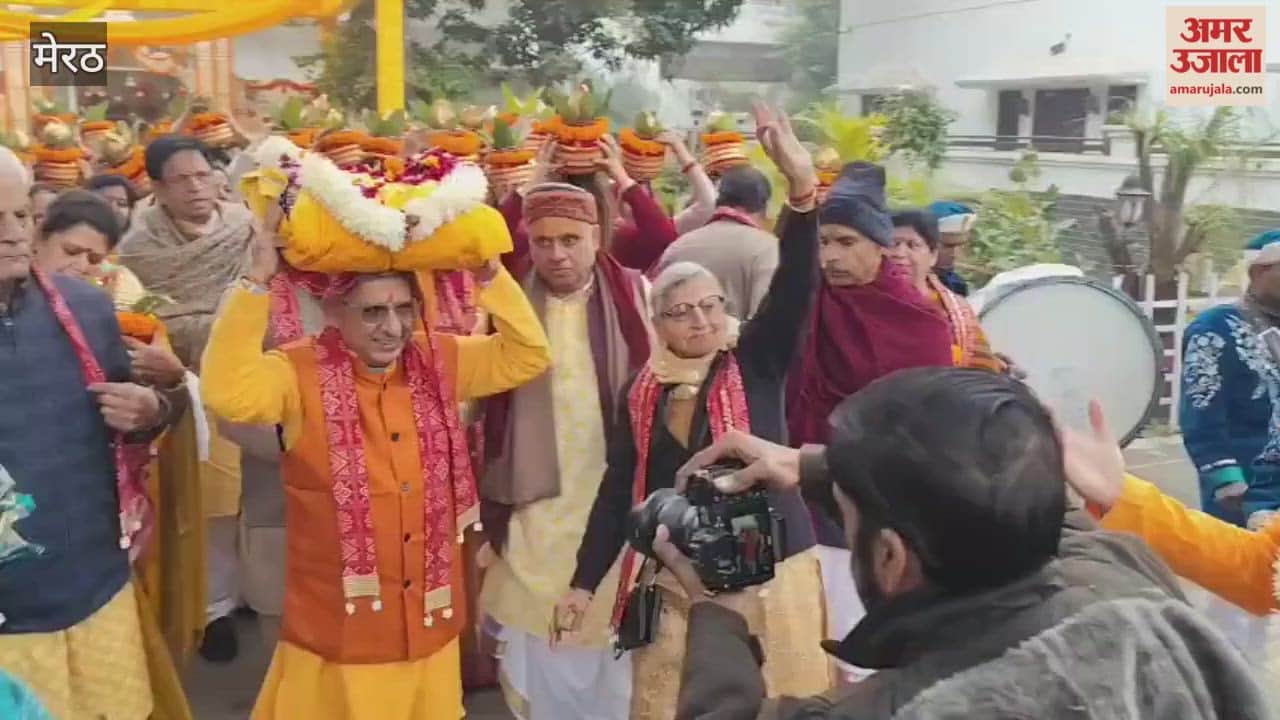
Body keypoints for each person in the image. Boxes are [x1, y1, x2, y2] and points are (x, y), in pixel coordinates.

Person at [662, 368, 1272, 719]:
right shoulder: (1122, 580)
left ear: (891, 556)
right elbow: (1033, 498)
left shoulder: (912, 706)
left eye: (850, 518)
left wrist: (721, 616)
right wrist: (822, 469)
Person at [201, 201, 550, 719]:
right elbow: (226, 392)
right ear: (335, 314)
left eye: (404, 309)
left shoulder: (441, 359)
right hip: (342, 633)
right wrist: (256, 280)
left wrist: (488, 273)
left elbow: (528, 354)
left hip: (427, 621)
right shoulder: (297, 371)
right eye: (372, 311)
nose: (392, 327)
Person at [561, 103, 829, 720]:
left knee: (777, 705)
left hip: (771, 571)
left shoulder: (754, 359)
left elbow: (794, 290)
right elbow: (617, 490)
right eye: (682, 312)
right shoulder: (642, 390)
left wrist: (802, 191)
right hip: (680, 578)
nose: (703, 320)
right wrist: (583, 582)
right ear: (658, 323)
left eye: (711, 305)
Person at [0, 146, 188, 719]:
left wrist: (152, 409)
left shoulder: (85, 308)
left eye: (20, 217)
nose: (13, 235)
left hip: (96, 586)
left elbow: (137, 430)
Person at [477, 181, 652, 719]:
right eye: (544, 240)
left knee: (617, 647)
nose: (556, 253)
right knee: (542, 635)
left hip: (617, 498)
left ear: (596, 236)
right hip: (535, 500)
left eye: (570, 239)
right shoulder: (504, 307)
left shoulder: (637, 296)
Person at [117, 133, 256, 662]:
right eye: (182, 180)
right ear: (157, 188)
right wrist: (217, 324)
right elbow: (149, 324)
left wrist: (237, 326)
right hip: (185, 389)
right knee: (206, 505)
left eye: (204, 175)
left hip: (251, 375)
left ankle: (250, 594)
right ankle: (213, 609)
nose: (197, 188)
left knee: (259, 497)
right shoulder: (139, 251)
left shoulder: (247, 229)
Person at [1180, 234, 1280, 528]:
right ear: (1260, 271)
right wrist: (1225, 477)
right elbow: (1200, 413)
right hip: (1248, 490)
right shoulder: (1214, 327)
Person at [498, 138, 678, 276]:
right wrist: (623, 179)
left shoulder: (532, 244)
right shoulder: (620, 241)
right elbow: (664, 239)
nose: (558, 255)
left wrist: (531, 184)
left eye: (570, 240)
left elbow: (494, 238)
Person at [655, 165, 777, 320]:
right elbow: (767, 320)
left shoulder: (678, 247)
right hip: (740, 343)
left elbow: (658, 313)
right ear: (764, 207)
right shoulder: (768, 248)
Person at [889, 209, 1004, 372]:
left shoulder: (958, 312)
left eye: (913, 245)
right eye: (892, 244)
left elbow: (980, 371)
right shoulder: (866, 304)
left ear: (933, 255)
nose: (899, 254)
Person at [927, 200, 975, 296]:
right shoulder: (901, 284)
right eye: (947, 246)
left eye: (961, 246)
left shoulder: (956, 285)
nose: (955, 254)